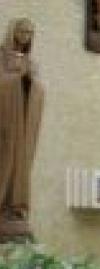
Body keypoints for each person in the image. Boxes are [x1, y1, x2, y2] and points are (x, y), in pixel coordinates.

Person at [0, 17, 44, 235]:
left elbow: (39, 91)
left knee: (21, 164)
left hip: (23, 124)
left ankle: (16, 208)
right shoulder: (2, 57)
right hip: (6, 124)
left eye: (30, 33)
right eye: (23, 31)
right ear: (13, 32)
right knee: (5, 160)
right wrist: (16, 79)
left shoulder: (31, 63)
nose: (26, 36)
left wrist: (31, 83)